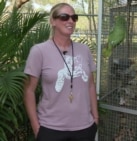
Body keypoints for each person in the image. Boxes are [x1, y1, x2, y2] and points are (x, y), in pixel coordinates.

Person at [23, 3, 98, 141]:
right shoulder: (39, 51)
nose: (70, 21)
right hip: (51, 129)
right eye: (64, 17)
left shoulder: (84, 50)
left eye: (74, 17)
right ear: (53, 21)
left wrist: (95, 118)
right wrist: (36, 127)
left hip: (85, 129)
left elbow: (91, 85)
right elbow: (29, 91)